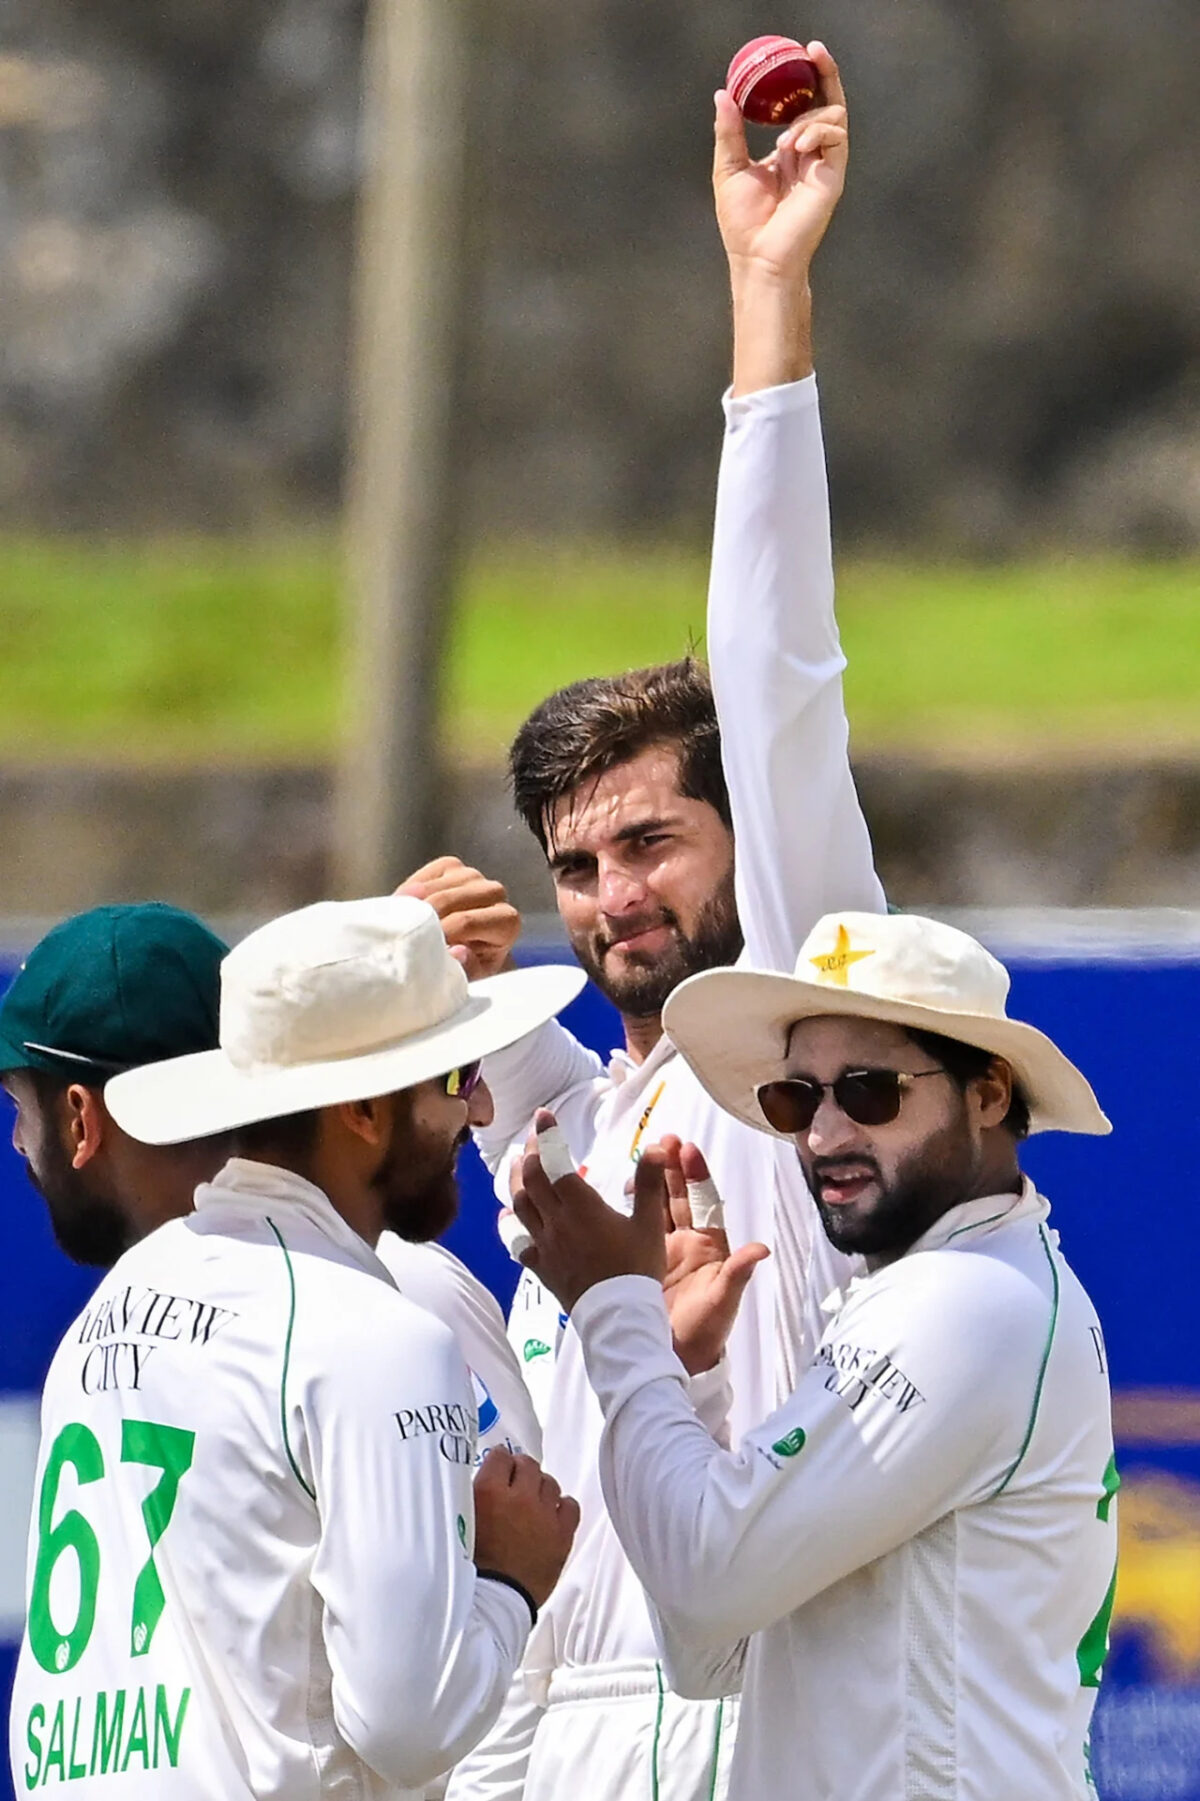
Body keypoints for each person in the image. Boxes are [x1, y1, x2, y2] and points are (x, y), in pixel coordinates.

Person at [409, 43, 887, 1801]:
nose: (617, 896)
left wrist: (769, 296)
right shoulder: (583, 1120)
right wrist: (403, 967)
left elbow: (780, 676)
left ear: (748, 836)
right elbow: (489, 1084)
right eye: (578, 866)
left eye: (653, 843)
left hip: (746, 1721)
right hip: (551, 1740)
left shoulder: (802, 1064)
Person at [513, 910, 1118, 1801]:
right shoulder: (969, 1284)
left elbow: (705, 1588)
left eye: (870, 1092)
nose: (826, 1137)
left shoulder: (961, 1300)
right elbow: (710, 1651)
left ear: (989, 1093)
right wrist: (686, 1375)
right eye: (796, 1098)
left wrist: (616, 1308)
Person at [9, 895, 582, 1799]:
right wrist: (511, 1578)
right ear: (364, 1108)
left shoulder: (108, 1308)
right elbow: (410, 1723)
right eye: (455, 1075)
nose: (477, 1105)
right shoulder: (377, 1334)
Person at [1, 902, 544, 1477]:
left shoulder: (396, 1296)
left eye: (19, 1109)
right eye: (458, 1075)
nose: (16, 1141)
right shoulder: (389, 1294)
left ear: (80, 1121)